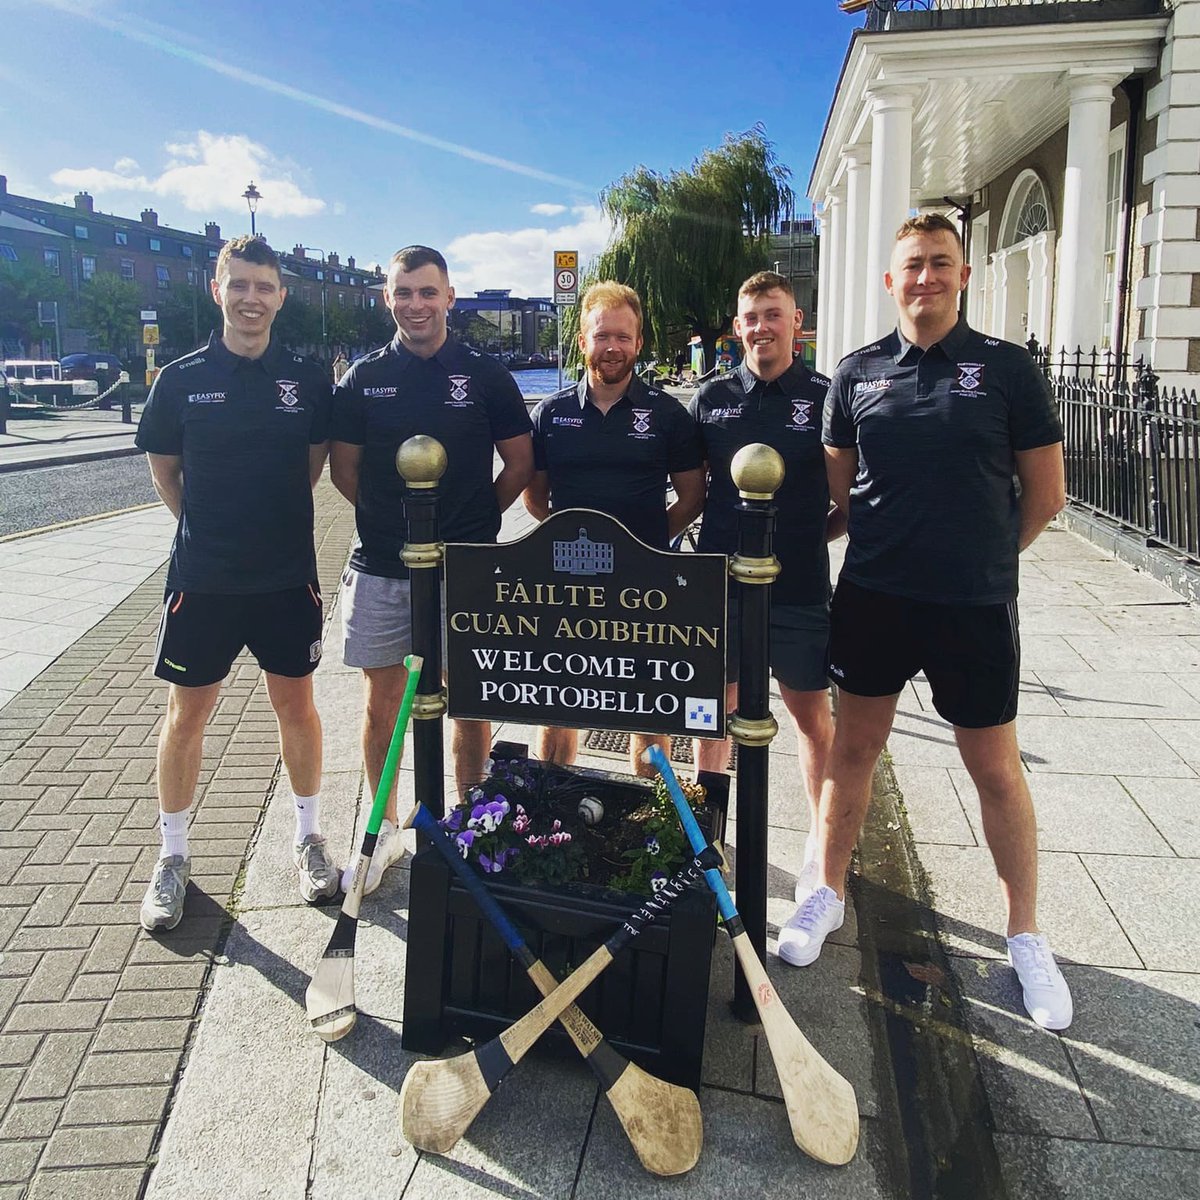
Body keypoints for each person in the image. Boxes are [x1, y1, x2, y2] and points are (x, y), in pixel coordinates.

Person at [796, 213, 1072, 1031]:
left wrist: (981, 559)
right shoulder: (857, 374)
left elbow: (1046, 497)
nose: (924, 278)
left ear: (962, 276)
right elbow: (841, 498)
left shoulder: (1009, 370)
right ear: (891, 281)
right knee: (852, 751)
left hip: (973, 608)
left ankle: (1024, 934)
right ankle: (825, 894)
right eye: (911, 265)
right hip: (875, 599)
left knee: (994, 768)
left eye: (939, 264)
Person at [135, 235, 335, 932]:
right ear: (217, 291)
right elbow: (166, 473)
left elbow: (312, 466)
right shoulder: (181, 379)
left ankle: (309, 839)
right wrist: (213, 529)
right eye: (239, 285)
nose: (252, 298)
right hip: (205, 582)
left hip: (286, 581)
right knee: (185, 718)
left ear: (281, 295)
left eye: (265, 286)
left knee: (297, 710)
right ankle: (173, 856)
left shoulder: (307, 379)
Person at [330, 246, 533, 892]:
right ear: (386, 298)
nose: (414, 304)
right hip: (385, 566)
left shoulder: (485, 375)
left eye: (427, 292)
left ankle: (470, 817)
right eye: (402, 293)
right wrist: (391, 523)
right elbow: (345, 471)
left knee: (468, 700)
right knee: (383, 701)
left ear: (449, 296)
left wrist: (475, 522)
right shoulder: (363, 379)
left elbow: (520, 465)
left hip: (466, 569)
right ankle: (385, 827)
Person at [689, 270, 842, 926]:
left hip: (799, 586)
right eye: (750, 316)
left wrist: (808, 539)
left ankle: (821, 846)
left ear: (796, 322)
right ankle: (709, 830)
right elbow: (690, 492)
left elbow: (848, 499)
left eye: (772, 315)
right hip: (721, 586)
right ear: (738, 326)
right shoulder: (711, 399)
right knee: (715, 710)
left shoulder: (827, 397)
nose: (761, 327)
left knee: (811, 717)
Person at [523, 282, 704, 776]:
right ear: (583, 341)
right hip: (566, 581)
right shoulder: (552, 413)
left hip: (644, 585)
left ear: (639, 342)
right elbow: (534, 498)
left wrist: (642, 547)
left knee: (647, 702)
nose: (612, 348)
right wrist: (567, 538)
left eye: (623, 337)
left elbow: (691, 497)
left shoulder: (668, 415)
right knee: (558, 696)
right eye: (602, 336)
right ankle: (548, 797)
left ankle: (648, 810)